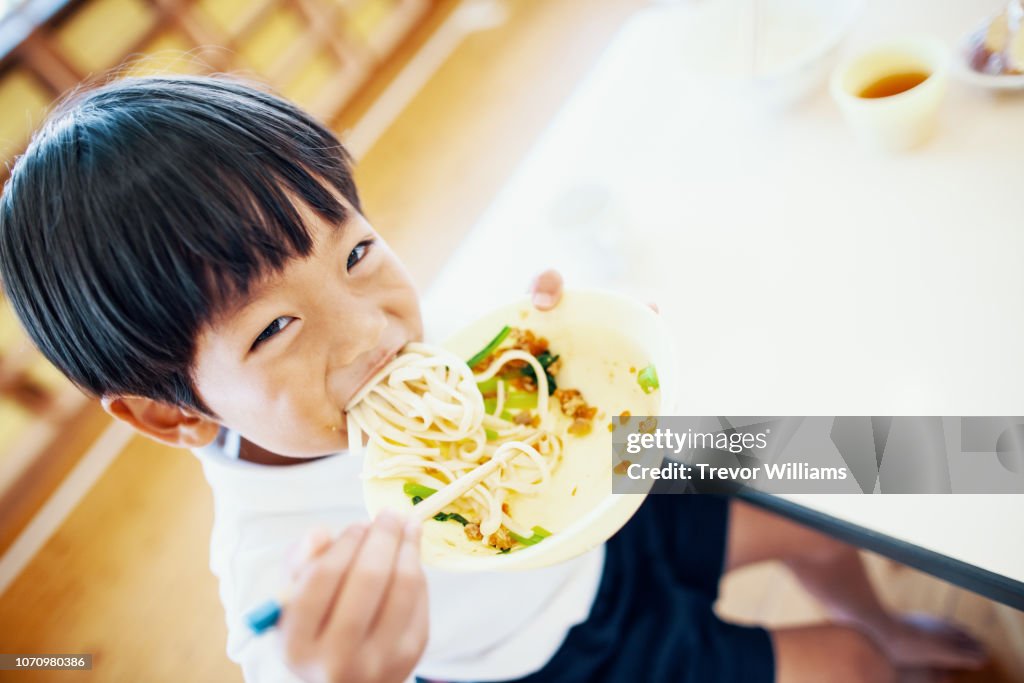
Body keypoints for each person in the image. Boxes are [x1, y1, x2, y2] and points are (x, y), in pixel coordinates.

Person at [0, 75, 988, 683]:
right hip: (562, 657)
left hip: (600, 491)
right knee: (847, 669)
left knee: (817, 471)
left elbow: (541, 374)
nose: (375, 334)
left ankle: (885, 613)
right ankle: (871, 646)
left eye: (355, 253)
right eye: (275, 329)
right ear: (167, 413)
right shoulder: (273, 563)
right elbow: (290, 663)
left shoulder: (401, 338)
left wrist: (575, 347)